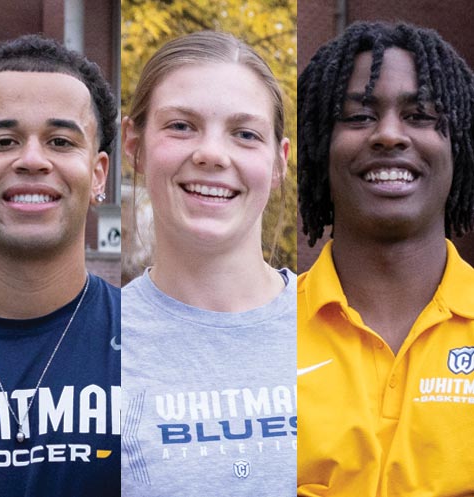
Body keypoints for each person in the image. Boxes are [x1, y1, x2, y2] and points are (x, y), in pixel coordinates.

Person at [297, 21, 474, 496]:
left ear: (459, 148)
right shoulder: (263, 332)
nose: (389, 135)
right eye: (358, 117)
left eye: (420, 115)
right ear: (318, 148)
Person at [119, 31, 295, 495]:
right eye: (181, 125)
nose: (212, 154)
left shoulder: (338, 329)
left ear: (279, 164)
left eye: (245, 134)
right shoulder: (93, 344)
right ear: (133, 145)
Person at [0, 34, 120, 496]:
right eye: (4, 141)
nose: (32, 160)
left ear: (97, 173)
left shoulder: (153, 344)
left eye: (60, 141)